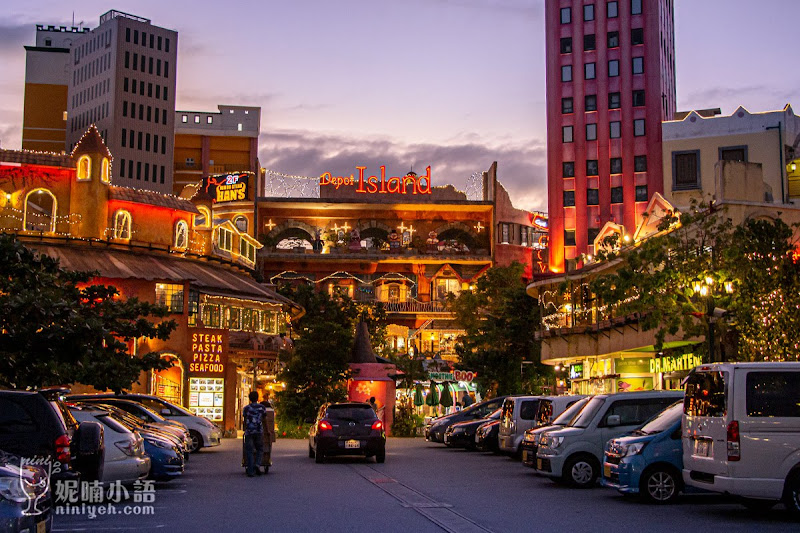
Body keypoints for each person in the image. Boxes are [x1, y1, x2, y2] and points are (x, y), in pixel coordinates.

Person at [242, 391, 267, 477]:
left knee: (249, 451)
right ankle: (257, 464)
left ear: (249, 399)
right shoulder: (262, 408)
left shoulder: (246, 408)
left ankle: (250, 471)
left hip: (249, 431)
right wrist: (267, 430)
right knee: (260, 449)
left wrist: (245, 429)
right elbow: (264, 420)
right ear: (257, 398)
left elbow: (245, 420)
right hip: (259, 431)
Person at [261, 394, 276, 472]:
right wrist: (268, 431)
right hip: (265, 434)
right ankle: (265, 460)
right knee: (266, 447)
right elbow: (266, 421)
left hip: (252, 432)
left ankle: (253, 463)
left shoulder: (252, 409)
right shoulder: (268, 413)